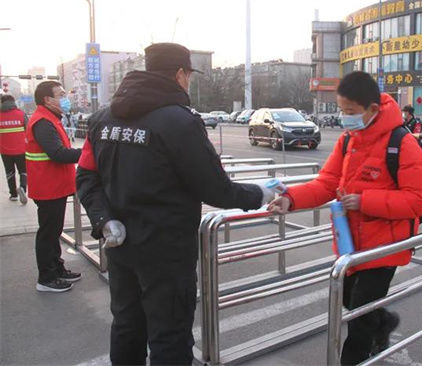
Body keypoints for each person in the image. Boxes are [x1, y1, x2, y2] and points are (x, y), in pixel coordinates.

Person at [76, 43, 276, 365]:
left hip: (120, 246)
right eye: (189, 76)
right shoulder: (180, 122)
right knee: (169, 335)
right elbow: (215, 188)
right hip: (165, 253)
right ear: (181, 74)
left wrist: (103, 220)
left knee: (127, 326)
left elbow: (86, 177)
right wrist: (260, 194)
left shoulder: (102, 120)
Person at [269, 71, 422, 365]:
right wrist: (290, 199)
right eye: (342, 111)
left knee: (357, 322)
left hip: (386, 247)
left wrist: (364, 201)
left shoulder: (402, 143)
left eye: (350, 112)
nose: (345, 119)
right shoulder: (349, 141)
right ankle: (383, 324)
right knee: (350, 301)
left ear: (372, 109)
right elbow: (326, 183)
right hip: (350, 245)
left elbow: (420, 198)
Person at [26, 81, 82, 292]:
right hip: (47, 186)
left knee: (54, 230)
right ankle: (46, 278)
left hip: (54, 184)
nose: (65, 98)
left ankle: (57, 268)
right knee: (48, 233)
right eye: (61, 94)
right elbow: (57, 154)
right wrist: (89, 153)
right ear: (47, 99)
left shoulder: (51, 118)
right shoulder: (42, 122)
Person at [0, 94, 28, 203]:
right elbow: (29, 128)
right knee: (23, 171)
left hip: (4, 150)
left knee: (9, 172)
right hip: (21, 149)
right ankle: (22, 188)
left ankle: (13, 194)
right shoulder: (20, 114)